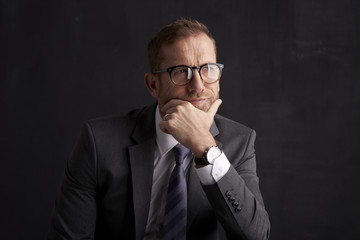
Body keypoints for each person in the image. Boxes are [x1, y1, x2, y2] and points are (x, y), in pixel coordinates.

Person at [49, 18, 270, 240]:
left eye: (208, 69)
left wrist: (205, 149)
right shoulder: (99, 142)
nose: (198, 86)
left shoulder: (240, 142)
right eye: (182, 72)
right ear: (153, 85)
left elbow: (256, 236)